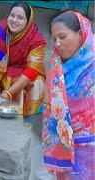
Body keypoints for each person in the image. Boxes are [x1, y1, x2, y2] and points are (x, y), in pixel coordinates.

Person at [42, 11, 95, 180]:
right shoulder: (57, 71)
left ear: (80, 34)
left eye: (62, 37)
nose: (57, 43)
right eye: (54, 38)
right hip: (67, 151)